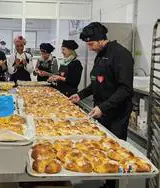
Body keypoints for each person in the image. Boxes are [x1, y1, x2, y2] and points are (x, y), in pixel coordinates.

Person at [69, 22, 134, 188]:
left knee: (115, 150)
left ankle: (113, 185)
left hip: (117, 113)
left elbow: (125, 89)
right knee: (101, 147)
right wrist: (80, 95)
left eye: (91, 44)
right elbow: (97, 82)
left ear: (100, 40)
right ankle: (105, 181)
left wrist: (103, 107)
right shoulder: (100, 54)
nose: (90, 48)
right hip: (102, 110)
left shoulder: (121, 55)